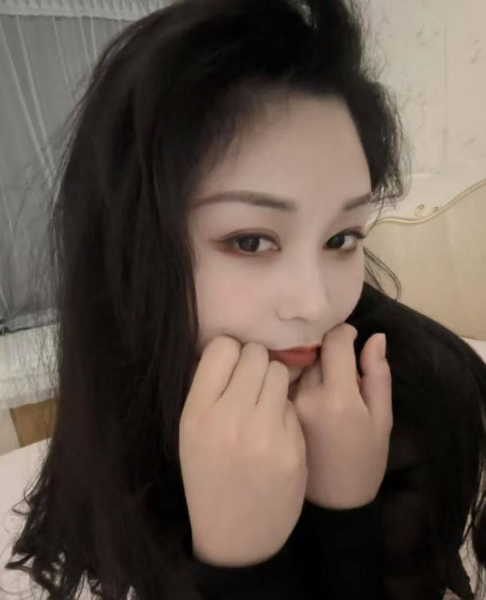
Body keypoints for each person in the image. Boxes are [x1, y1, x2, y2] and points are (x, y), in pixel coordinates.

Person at [3, 0, 486, 599]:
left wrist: (342, 516)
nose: (316, 303)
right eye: (251, 240)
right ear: (129, 252)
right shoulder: (120, 394)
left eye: (342, 238)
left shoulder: (424, 396)